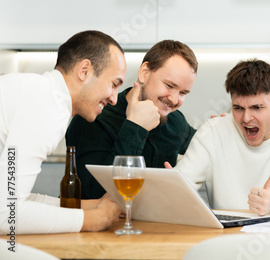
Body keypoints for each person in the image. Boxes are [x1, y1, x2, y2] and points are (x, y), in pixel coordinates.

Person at [0, 30, 125, 234]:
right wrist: (94, 219)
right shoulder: (47, 107)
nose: (114, 99)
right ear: (84, 71)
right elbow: (6, 214)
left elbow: (10, 197)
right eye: (113, 84)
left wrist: (89, 206)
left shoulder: (41, 93)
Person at [166, 59, 270, 215]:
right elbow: (180, 186)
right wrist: (173, 189)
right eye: (238, 108)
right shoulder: (212, 131)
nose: (246, 118)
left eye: (257, 107)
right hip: (230, 235)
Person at [66, 40, 198, 199]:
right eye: (169, 85)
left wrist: (221, 128)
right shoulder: (94, 118)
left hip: (157, 222)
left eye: (183, 93)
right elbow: (91, 195)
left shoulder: (176, 122)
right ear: (144, 73)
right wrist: (135, 127)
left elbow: (204, 145)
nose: (175, 99)